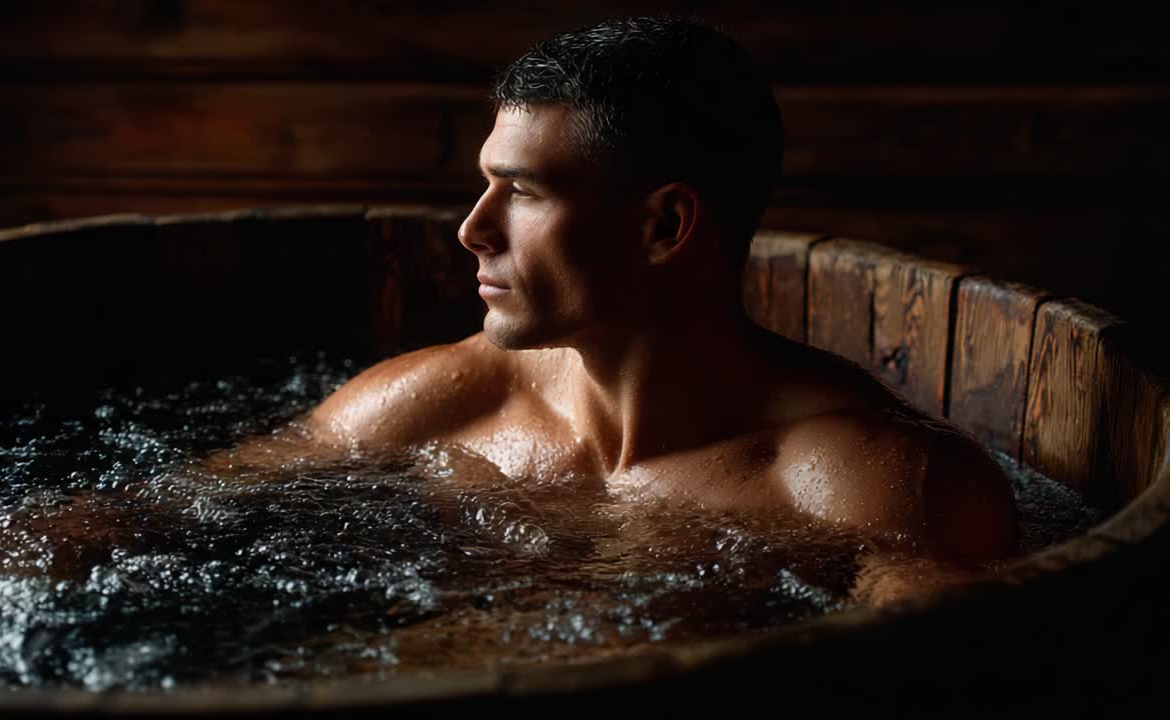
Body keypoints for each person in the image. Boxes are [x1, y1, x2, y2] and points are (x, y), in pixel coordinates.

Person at [208, 16, 1017, 604]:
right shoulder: (446, 399)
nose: (472, 229)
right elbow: (152, 512)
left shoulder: (866, 485)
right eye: (486, 184)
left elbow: (935, 679)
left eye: (523, 191)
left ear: (664, 225)